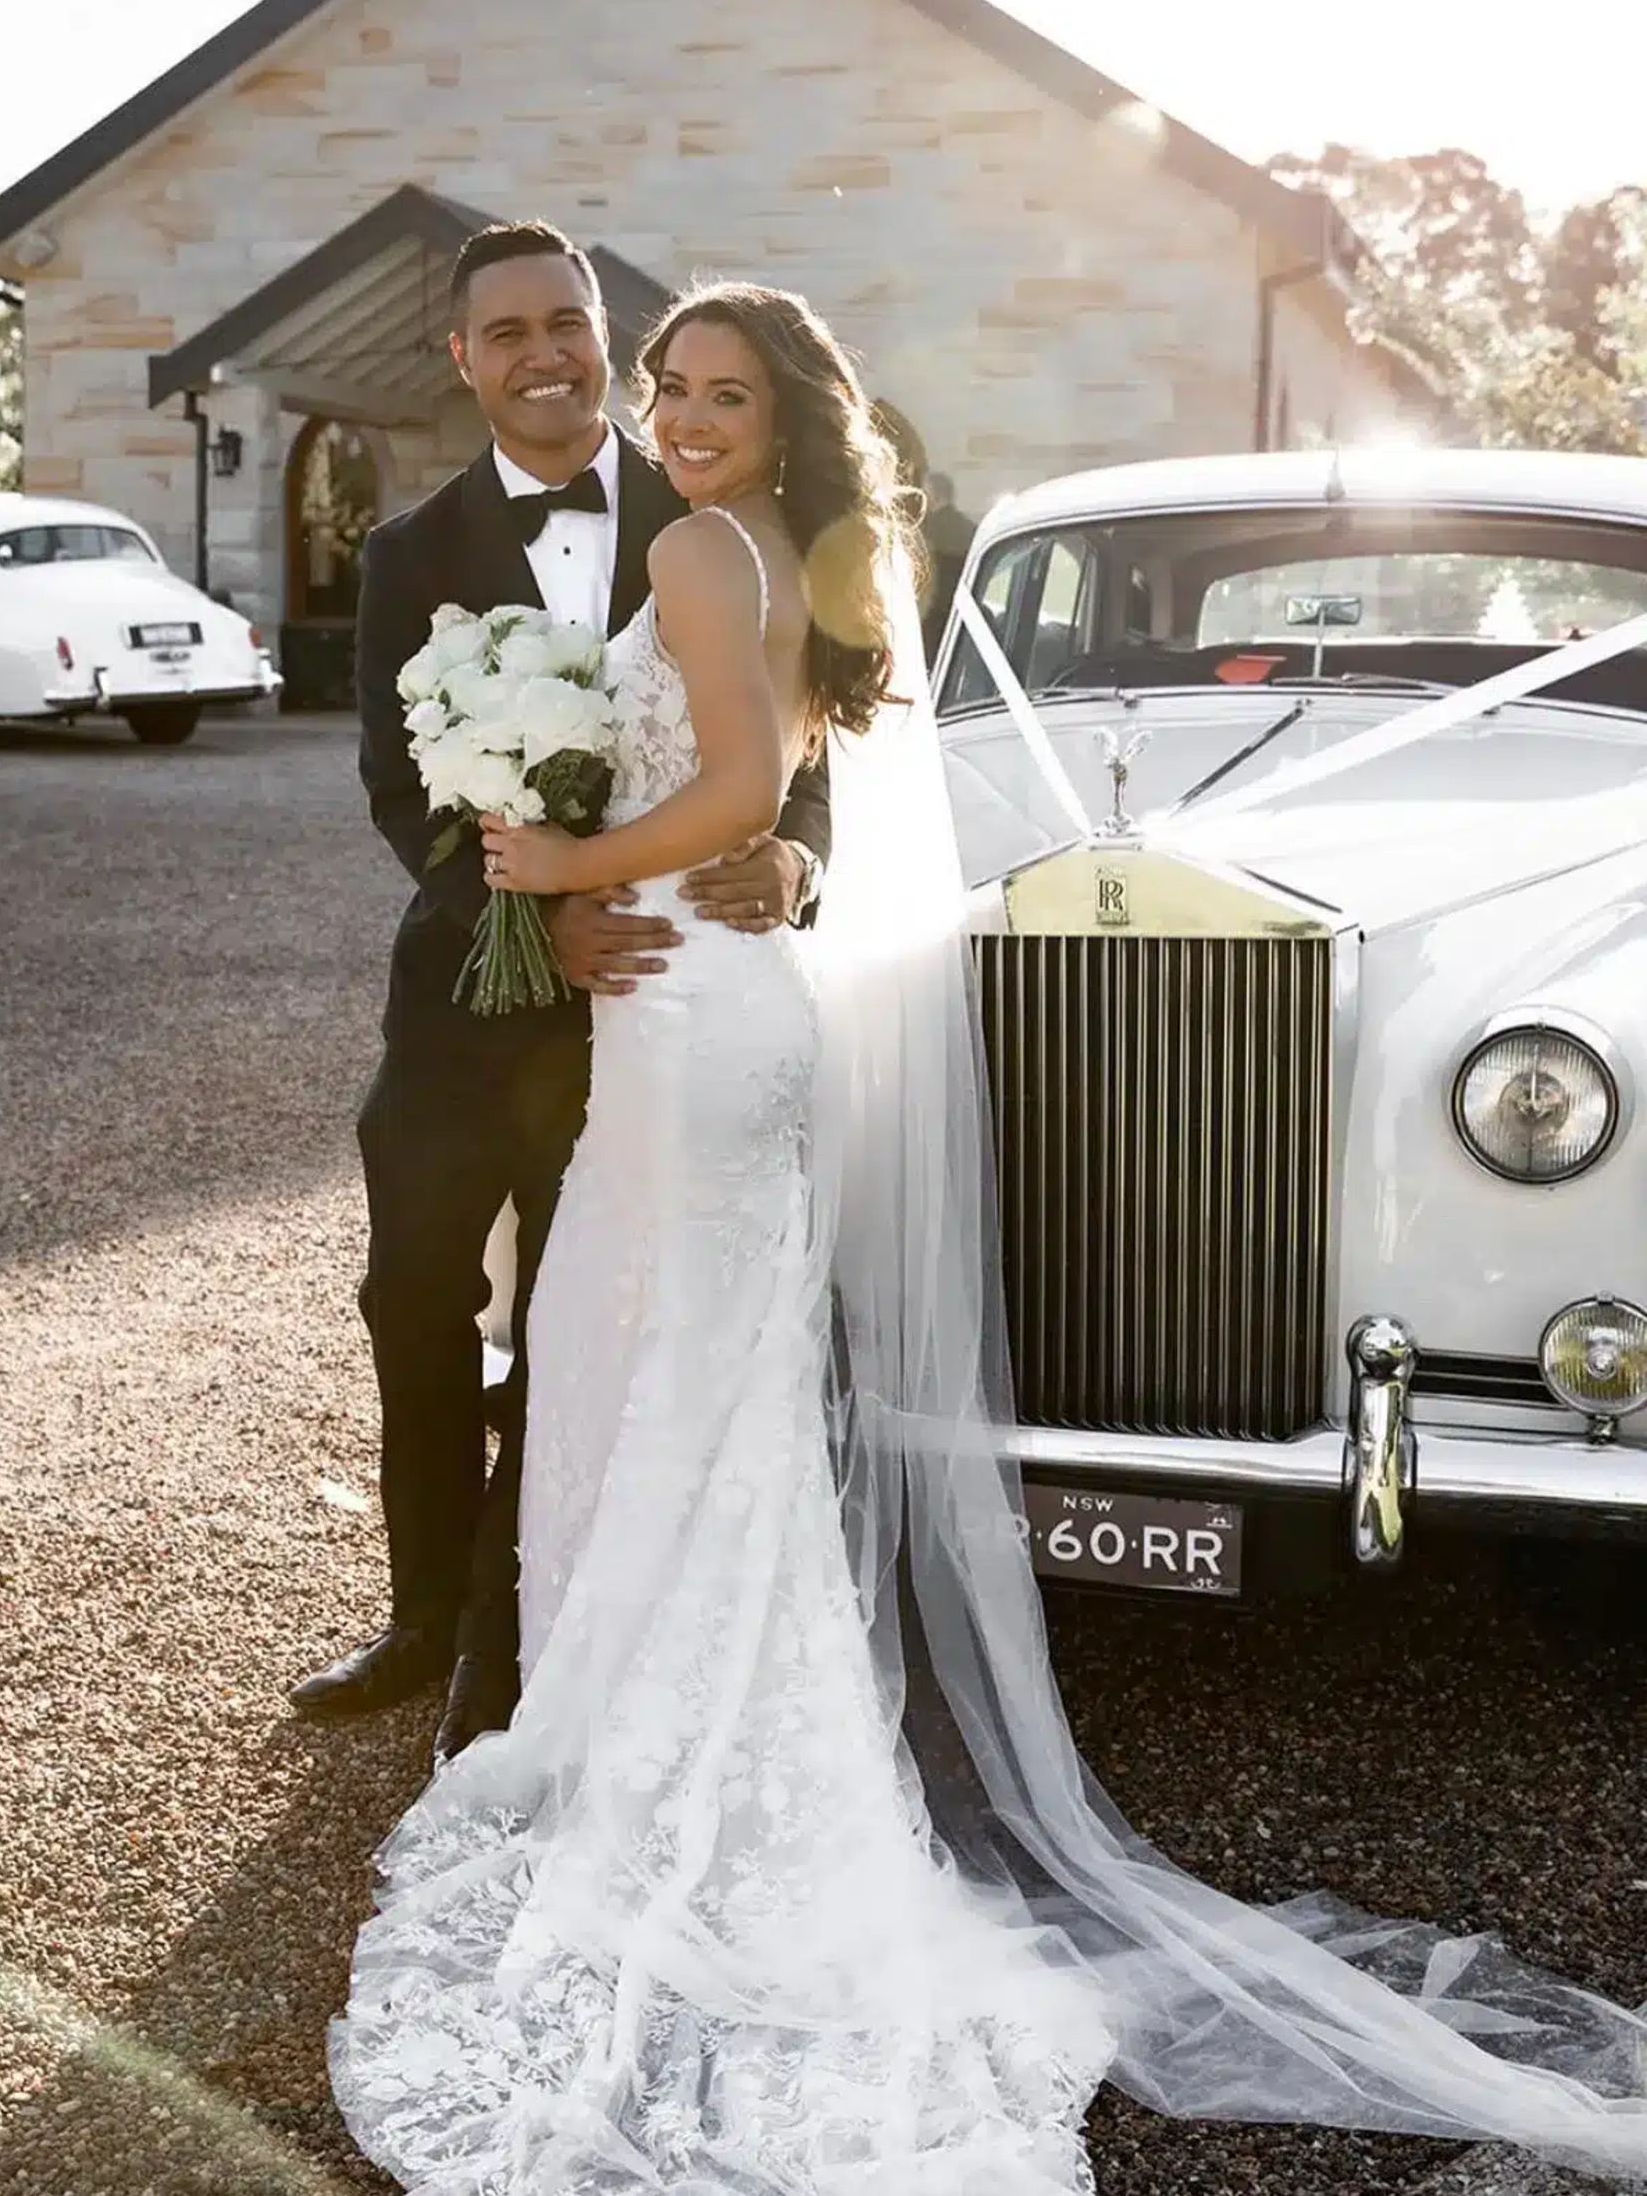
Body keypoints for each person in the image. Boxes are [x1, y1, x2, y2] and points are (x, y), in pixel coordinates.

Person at [329, 278, 1647, 2191]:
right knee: (687, 1368)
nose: (680, 413)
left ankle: (639, 1743)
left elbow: (740, 790)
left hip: (699, 1013)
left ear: (783, 416)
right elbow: (785, 789)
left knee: (671, 1365)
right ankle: (590, 1695)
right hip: (693, 1007)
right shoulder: (767, 548)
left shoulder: (709, 543)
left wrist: (578, 858)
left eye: (718, 390)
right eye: (667, 386)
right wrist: (599, 877)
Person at [289, 223, 829, 1762]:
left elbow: (805, 738)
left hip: (651, 1015)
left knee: (586, 1313)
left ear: (608, 333)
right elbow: (408, 793)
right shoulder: (409, 552)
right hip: (468, 1010)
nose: (545, 352)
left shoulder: (709, 494)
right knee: (414, 1295)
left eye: (569, 322)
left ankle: (518, 1632)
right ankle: (420, 1612)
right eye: (508, 330)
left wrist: (796, 865)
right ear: (462, 359)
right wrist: (538, 915)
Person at [918, 466, 977, 662]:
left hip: (932, 616)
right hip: (963, 612)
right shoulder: (970, 528)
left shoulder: (925, 530)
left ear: (934, 495)